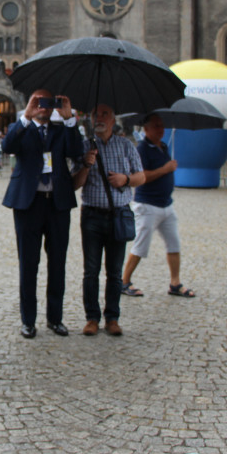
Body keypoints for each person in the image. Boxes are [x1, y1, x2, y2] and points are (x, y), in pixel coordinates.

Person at [2, 89, 83, 338]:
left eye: (48, 102)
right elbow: (7, 147)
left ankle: (55, 319)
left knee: (57, 263)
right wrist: (26, 115)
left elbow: (76, 151)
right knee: (29, 263)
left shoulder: (62, 131)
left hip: (57, 204)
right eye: (39, 102)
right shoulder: (24, 128)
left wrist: (69, 118)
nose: (44, 107)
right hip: (29, 204)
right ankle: (28, 320)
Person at [72, 104, 146, 336]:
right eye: (96, 115)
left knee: (114, 272)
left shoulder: (125, 146)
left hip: (118, 215)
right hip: (92, 216)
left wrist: (125, 179)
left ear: (113, 120)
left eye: (105, 114)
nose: (100, 118)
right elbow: (75, 184)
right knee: (90, 271)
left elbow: (141, 176)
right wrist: (86, 164)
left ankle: (112, 318)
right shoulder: (85, 147)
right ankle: (92, 318)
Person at [121, 113, 196, 300]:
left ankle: (175, 282)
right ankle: (124, 281)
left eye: (162, 126)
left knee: (174, 243)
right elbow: (143, 176)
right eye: (156, 126)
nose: (160, 130)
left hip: (166, 204)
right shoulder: (143, 149)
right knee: (140, 246)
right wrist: (166, 169)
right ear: (146, 129)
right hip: (148, 205)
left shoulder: (163, 146)